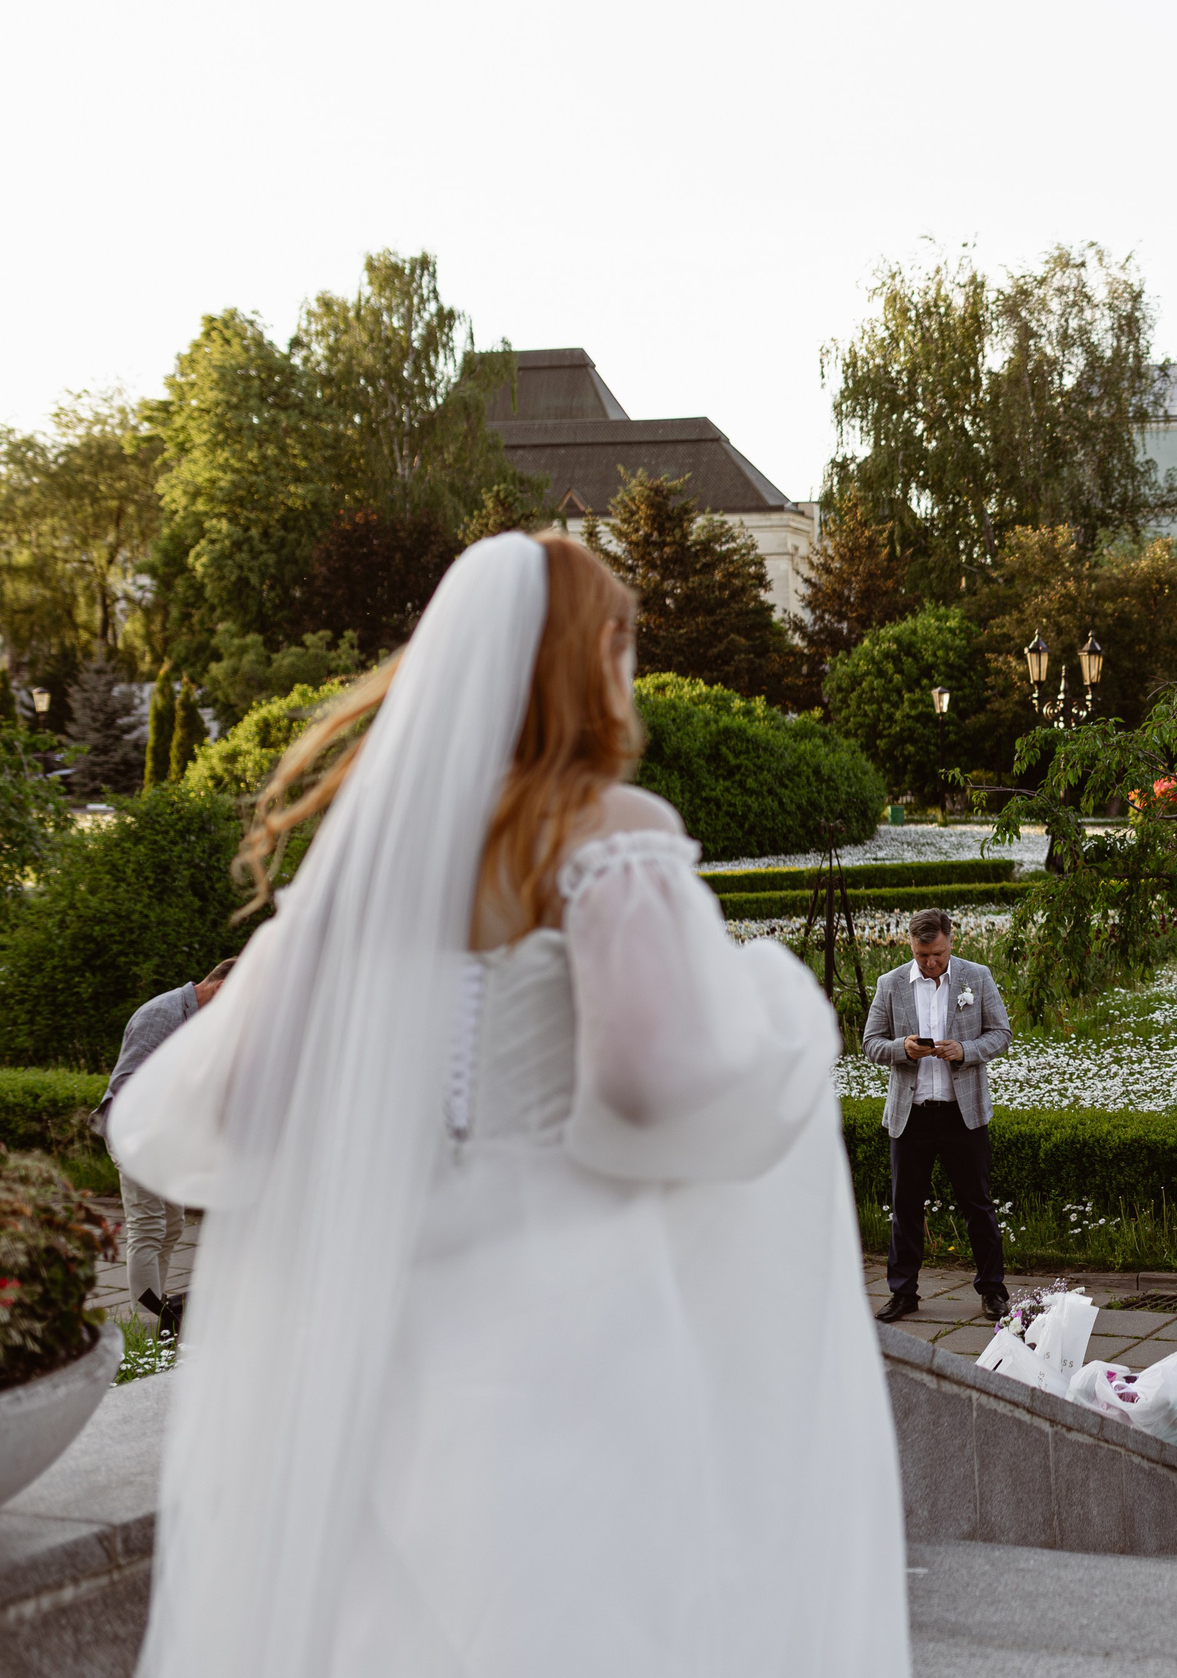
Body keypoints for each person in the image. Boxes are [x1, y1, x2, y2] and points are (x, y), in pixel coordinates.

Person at [108, 533, 907, 1678]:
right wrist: (778, 1009)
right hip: (576, 1312)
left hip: (388, 1319)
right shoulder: (602, 837)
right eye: (622, 642)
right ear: (592, 656)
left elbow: (217, 1109)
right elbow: (650, 1086)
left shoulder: (368, 871)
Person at [864, 909, 1013, 1324]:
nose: (931, 963)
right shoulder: (890, 984)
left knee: (978, 1205)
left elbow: (1001, 1034)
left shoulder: (976, 977)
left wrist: (965, 1050)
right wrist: (902, 1048)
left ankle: (992, 1292)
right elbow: (870, 1043)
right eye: (922, 955)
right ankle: (903, 1293)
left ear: (951, 942)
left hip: (961, 1114)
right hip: (909, 1116)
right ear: (910, 946)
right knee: (905, 1206)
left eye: (938, 955)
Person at [95, 957, 237, 1337]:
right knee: (149, 1226)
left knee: (172, 1225)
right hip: (137, 1135)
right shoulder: (162, 1013)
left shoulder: (198, 1019)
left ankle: (160, 1309)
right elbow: (127, 1087)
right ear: (222, 989)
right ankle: (146, 1325)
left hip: (167, 1137)